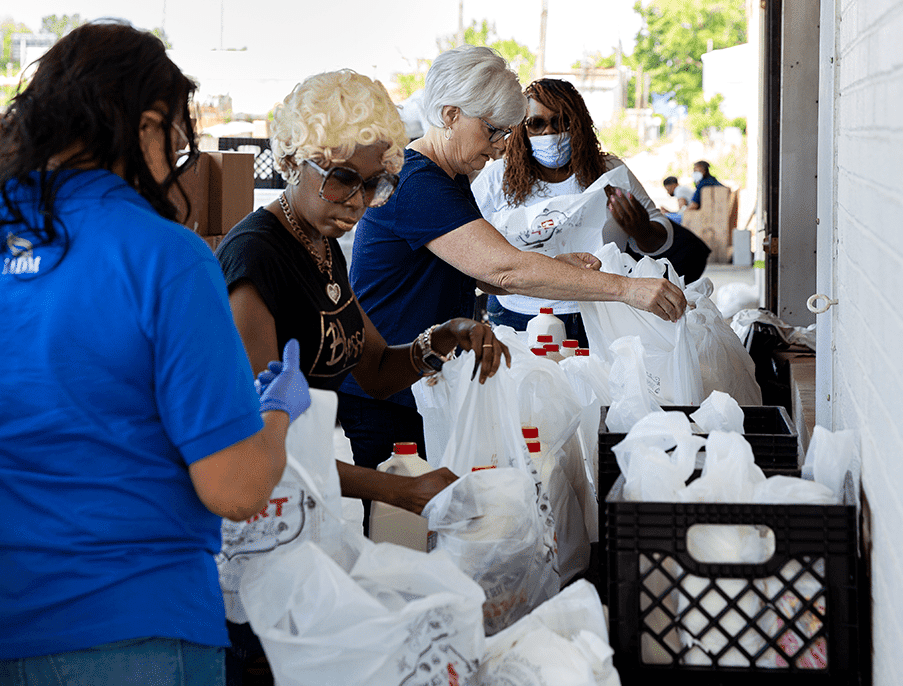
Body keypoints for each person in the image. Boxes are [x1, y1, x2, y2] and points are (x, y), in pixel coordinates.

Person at [0, 21, 308, 686]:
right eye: (176, 141)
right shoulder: (166, 258)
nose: (172, 163)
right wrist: (276, 416)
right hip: (130, 634)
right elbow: (235, 487)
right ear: (147, 124)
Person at [216, 68, 511, 686]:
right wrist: (397, 490)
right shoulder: (257, 261)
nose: (356, 202)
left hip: (307, 516)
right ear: (295, 159)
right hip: (260, 540)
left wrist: (442, 339)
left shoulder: (320, 248)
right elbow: (251, 452)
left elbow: (373, 369)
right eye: (343, 179)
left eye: (374, 185)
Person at [341, 45, 686, 451]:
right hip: (387, 389)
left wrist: (553, 265)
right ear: (451, 114)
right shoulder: (417, 183)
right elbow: (504, 269)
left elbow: (477, 270)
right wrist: (628, 290)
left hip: (418, 378)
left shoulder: (448, 177)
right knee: (399, 511)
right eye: (493, 130)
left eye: (506, 132)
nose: (503, 145)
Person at [471, 77, 676, 343]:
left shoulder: (610, 172)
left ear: (577, 123)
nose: (549, 133)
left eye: (561, 121)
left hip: (596, 311)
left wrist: (642, 229)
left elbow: (661, 239)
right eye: (537, 123)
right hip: (517, 314)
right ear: (522, 128)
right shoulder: (496, 178)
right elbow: (473, 247)